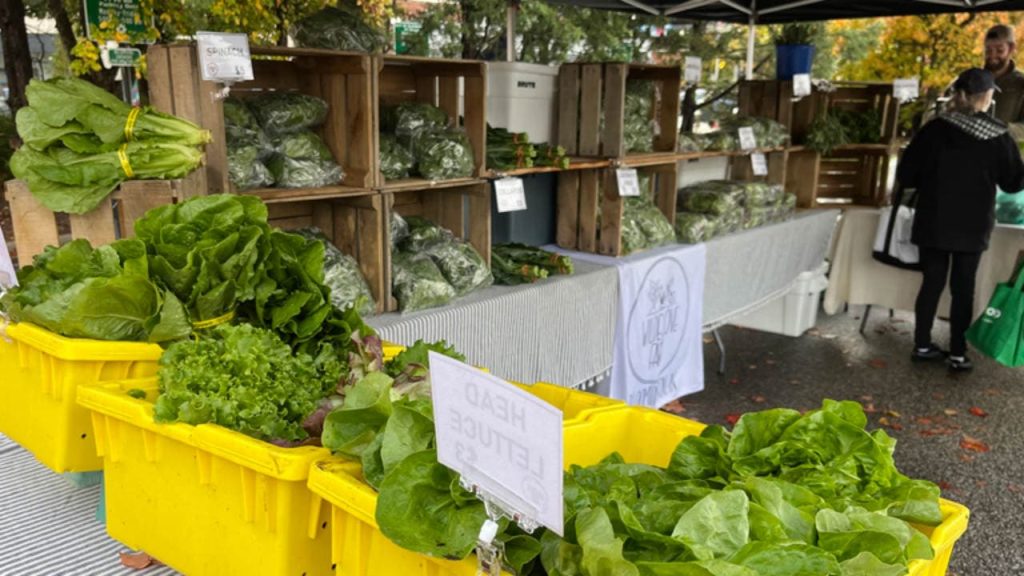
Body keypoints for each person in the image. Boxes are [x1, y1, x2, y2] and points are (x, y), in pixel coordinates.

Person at [897, 68, 1024, 372]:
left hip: (933, 218)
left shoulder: (934, 129)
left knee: (932, 283)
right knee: (963, 288)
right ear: (986, 95)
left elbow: (907, 176)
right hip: (973, 222)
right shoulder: (997, 135)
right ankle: (957, 352)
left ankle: (923, 344)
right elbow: (1013, 184)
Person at [984, 24, 1024, 124]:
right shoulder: (969, 79)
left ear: (1011, 48)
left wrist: (998, 132)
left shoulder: (1021, 84)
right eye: (988, 50)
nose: (993, 56)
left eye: (999, 50)